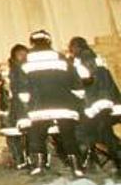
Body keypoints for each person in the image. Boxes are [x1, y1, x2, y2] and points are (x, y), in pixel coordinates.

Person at [18, 30, 85, 177]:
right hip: (64, 105)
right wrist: (77, 98)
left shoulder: (26, 61)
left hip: (39, 107)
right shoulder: (61, 58)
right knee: (68, 135)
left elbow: (22, 88)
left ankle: (39, 166)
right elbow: (76, 83)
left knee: (37, 134)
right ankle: (77, 167)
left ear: (32, 42)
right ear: (49, 41)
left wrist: (26, 102)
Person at [69, 36, 121, 175]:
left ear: (76, 47)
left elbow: (87, 82)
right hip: (109, 102)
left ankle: (107, 163)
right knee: (104, 134)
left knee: (101, 135)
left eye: (72, 48)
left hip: (97, 105)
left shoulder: (82, 59)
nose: (71, 51)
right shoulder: (97, 58)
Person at [0, 63, 27, 169]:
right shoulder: (3, 86)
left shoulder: (12, 85)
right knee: (15, 141)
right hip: (10, 119)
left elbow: (7, 102)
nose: (0, 74)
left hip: (13, 118)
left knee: (17, 140)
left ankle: (22, 161)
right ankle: (20, 161)